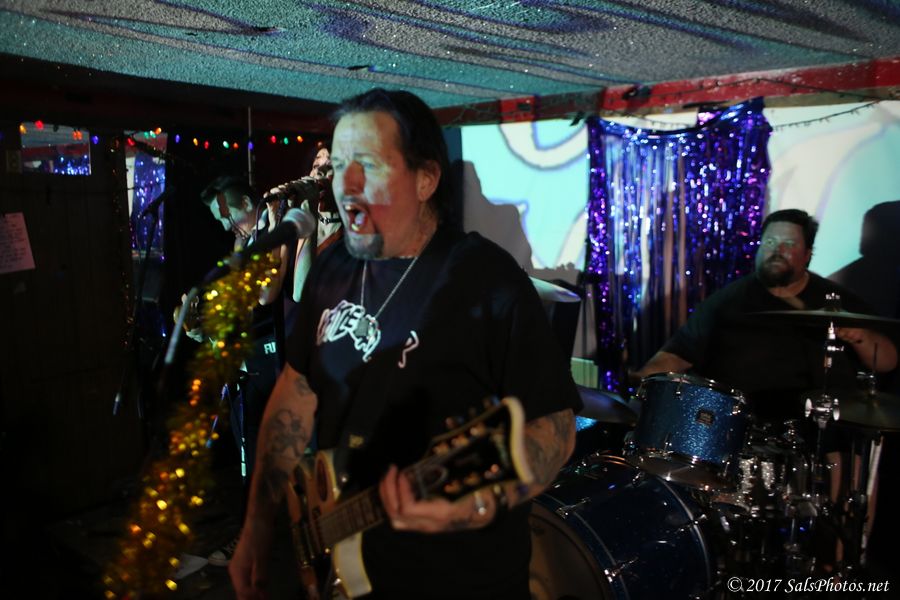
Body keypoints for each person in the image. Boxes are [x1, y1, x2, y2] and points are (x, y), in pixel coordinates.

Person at [229, 89, 581, 600]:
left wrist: (472, 505)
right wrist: (259, 523)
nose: (345, 184)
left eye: (368, 165)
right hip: (344, 570)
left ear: (425, 179)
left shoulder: (484, 280)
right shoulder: (332, 266)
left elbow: (555, 429)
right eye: (339, 165)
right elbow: (296, 392)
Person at [635, 208, 897, 416]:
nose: (777, 251)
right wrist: (640, 381)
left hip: (807, 426)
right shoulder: (727, 301)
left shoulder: (835, 300)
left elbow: (888, 361)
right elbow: (678, 353)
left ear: (807, 254)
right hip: (738, 424)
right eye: (770, 241)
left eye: (789, 244)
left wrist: (861, 336)